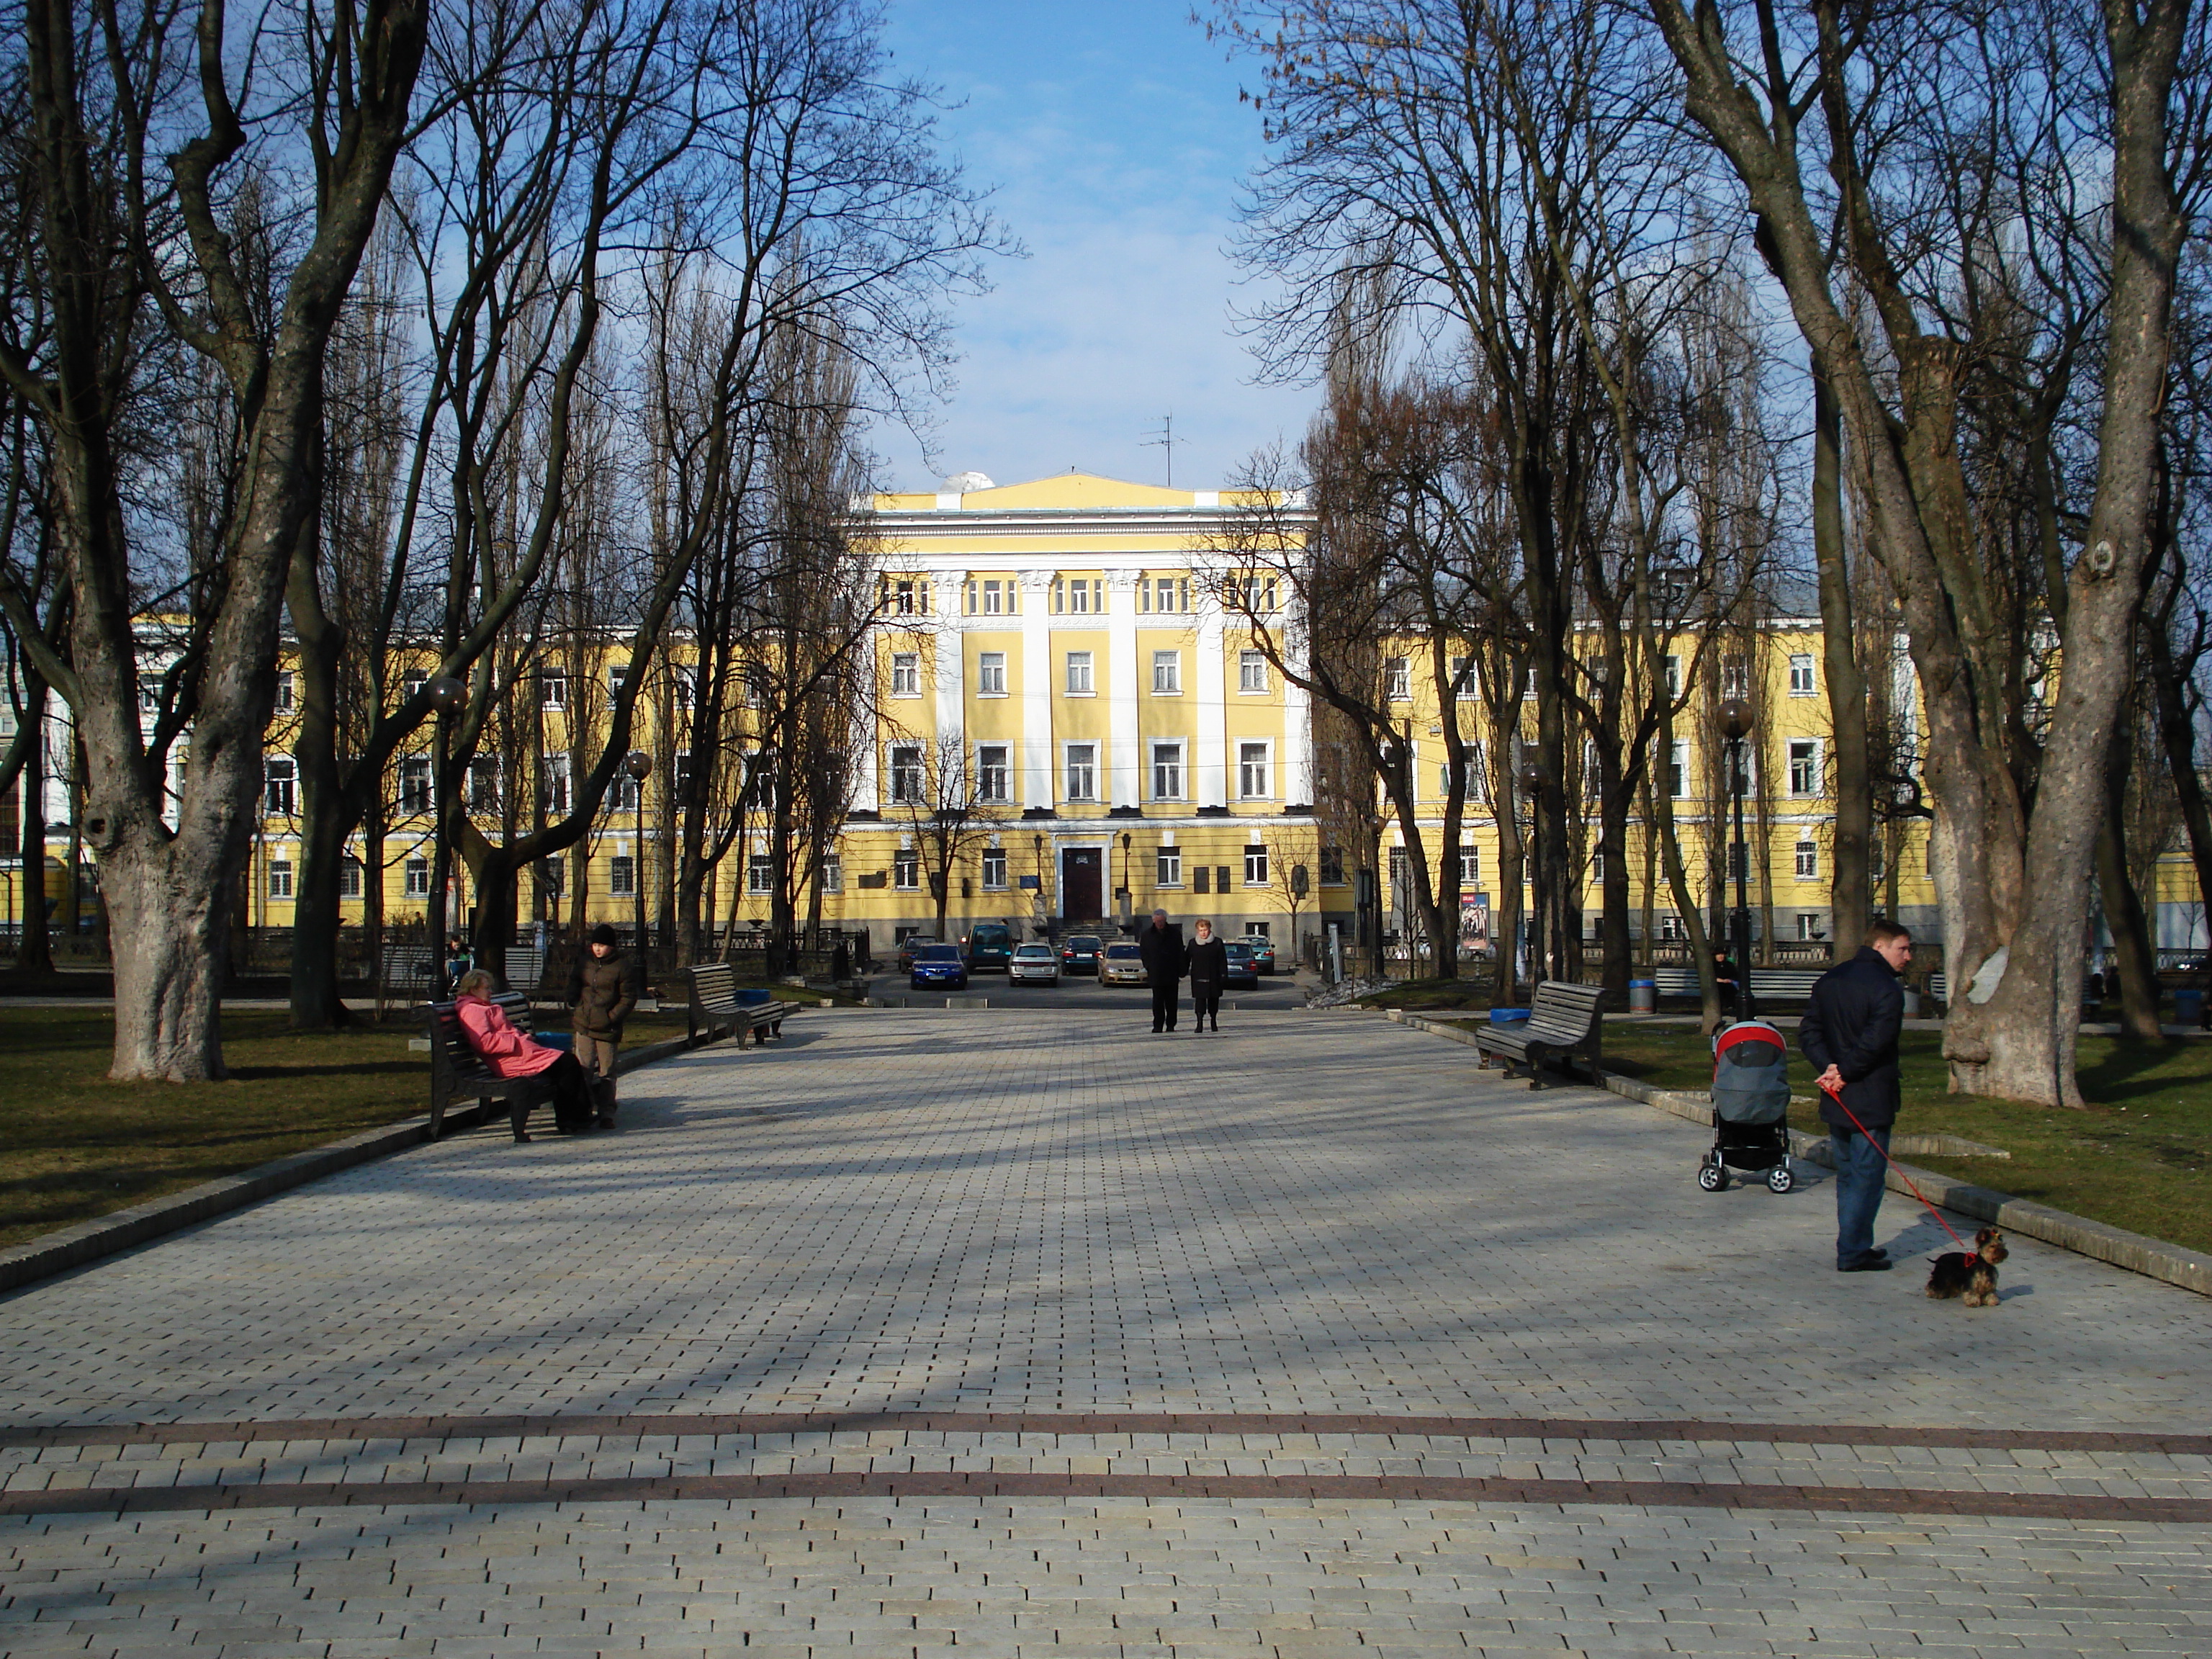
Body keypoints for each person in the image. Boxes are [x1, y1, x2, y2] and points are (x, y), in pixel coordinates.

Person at [1799, 920, 1913, 1272]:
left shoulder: (1831, 979)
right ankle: (1852, 1250)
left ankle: (1855, 1242)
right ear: (1879, 946)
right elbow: (1875, 1043)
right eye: (1903, 948)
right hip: (1868, 1096)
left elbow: (1810, 1032)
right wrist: (1842, 1072)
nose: (1908, 957)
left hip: (1838, 1093)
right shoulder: (1887, 989)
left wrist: (1830, 1068)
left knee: (1850, 1174)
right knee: (1865, 1175)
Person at [454, 968, 598, 1136]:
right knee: (566, 1063)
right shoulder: (473, 1010)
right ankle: (572, 1118)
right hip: (508, 1059)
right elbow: (484, 1043)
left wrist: (520, 1036)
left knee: (566, 1063)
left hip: (516, 1055)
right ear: (473, 989)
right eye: (486, 988)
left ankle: (575, 1117)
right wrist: (515, 1041)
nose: (490, 991)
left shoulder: (481, 1007)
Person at [567, 922, 636, 1129]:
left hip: (607, 1028)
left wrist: (612, 1017)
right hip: (584, 1024)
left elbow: (628, 997)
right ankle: (583, 1110)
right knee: (584, 1069)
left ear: (612, 947)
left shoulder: (621, 967)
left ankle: (606, 1112)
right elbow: (575, 981)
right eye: (595, 944)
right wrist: (575, 1001)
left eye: (602, 945)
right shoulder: (585, 962)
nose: (598, 949)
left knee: (607, 1072)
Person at [1138, 907, 1184, 1033]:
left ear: (1165, 920)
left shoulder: (1175, 933)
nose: (1160, 924)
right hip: (1156, 973)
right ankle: (1158, 1025)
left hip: (1171, 973)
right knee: (1157, 1002)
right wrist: (1148, 965)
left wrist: (1181, 969)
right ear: (1153, 921)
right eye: (1158, 921)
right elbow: (1143, 952)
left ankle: (1171, 1025)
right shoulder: (1147, 935)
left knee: (1172, 1002)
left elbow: (1181, 952)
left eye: (1162, 921)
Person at [1185, 918, 1227, 1033]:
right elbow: (1187, 959)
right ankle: (1199, 1023)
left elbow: (1222, 960)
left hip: (1214, 977)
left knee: (1214, 1001)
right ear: (1197, 931)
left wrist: (1224, 974)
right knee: (1200, 1002)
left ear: (1210, 929)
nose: (1204, 932)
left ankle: (1213, 1021)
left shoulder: (1217, 942)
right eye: (1201, 930)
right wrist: (1182, 971)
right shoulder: (1193, 943)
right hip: (1199, 977)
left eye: (1206, 930)